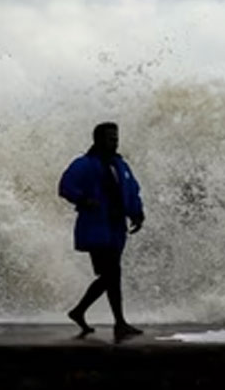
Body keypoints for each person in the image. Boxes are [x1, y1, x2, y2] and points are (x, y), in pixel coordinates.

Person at [58, 122, 145, 340]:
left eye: (116, 138)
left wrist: (137, 213)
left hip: (116, 227)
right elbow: (65, 186)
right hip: (95, 226)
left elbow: (133, 190)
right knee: (112, 274)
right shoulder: (84, 164)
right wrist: (84, 200)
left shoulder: (120, 165)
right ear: (98, 139)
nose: (115, 142)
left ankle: (80, 312)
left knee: (110, 275)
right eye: (110, 138)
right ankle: (119, 323)